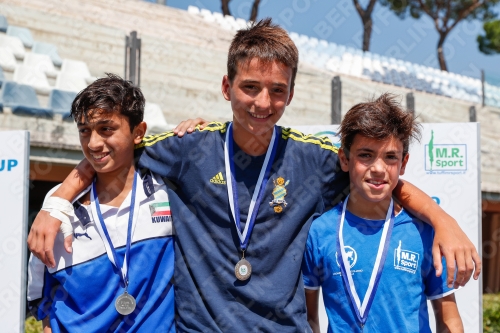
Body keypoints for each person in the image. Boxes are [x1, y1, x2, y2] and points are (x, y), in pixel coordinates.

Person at [28, 19, 479, 332]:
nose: (262, 102)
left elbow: (378, 176)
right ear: (227, 88)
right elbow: (112, 148)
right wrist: (58, 200)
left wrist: (444, 222)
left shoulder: (313, 158)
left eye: (277, 90)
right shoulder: (189, 148)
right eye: (249, 87)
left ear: (291, 94)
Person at [27, 74, 176, 332]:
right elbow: (42, 296)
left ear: (138, 132)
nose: (93, 143)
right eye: (85, 130)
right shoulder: (57, 203)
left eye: (107, 129)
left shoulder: (168, 190)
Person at [302, 94, 463, 333]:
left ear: (403, 163)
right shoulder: (320, 231)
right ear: (345, 159)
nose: (378, 168)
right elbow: (309, 319)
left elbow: (448, 319)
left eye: (390, 157)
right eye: (366, 155)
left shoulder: (423, 232)